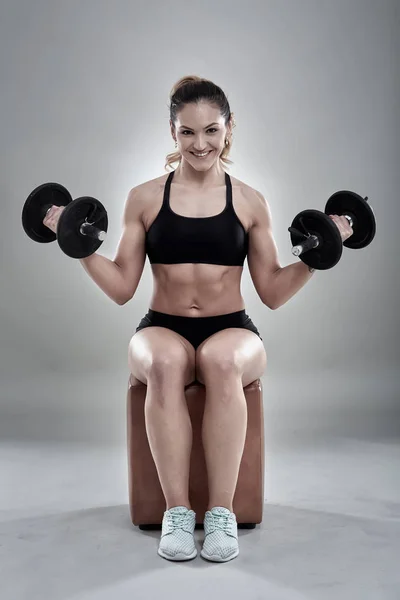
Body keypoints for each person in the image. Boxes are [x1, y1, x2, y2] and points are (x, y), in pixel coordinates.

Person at [43, 75, 353, 563]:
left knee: (221, 361)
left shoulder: (250, 201)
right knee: (165, 364)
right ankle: (178, 513)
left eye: (211, 130)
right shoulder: (144, 198)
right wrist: (75, 243)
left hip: (231, 326)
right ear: (172, 133)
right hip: (160, 325)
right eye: (188, 132)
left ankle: (223, 513)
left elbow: (270, 290)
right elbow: (123, 287)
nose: (200, 144)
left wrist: (319, 253)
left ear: (229, 130)